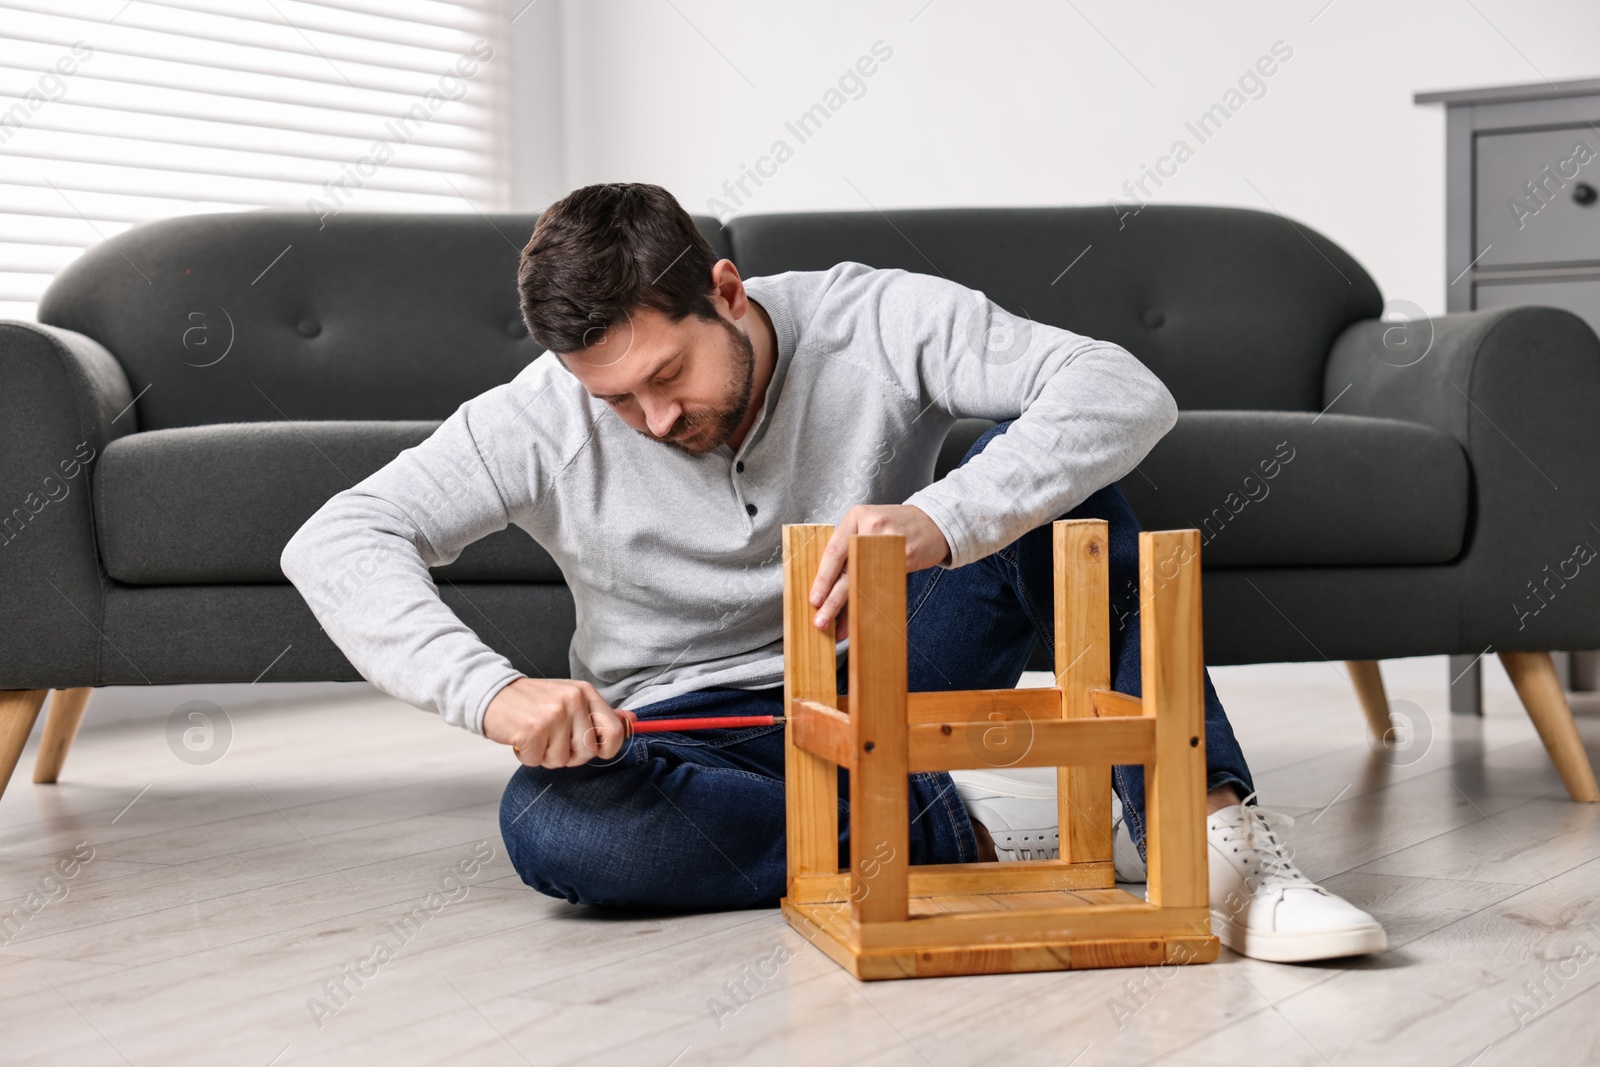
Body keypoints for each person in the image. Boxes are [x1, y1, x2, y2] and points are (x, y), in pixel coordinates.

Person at [281, 182, 1386, 963]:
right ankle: (956, 827)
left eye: (667, 375)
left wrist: (937, 518)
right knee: (554, 828)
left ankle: (1218, 845)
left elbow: (1118, 388)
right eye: (617, 399)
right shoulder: (535, 418)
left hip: (890, 673)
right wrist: (495, 693)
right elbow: (335, 538)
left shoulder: (871, 314)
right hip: (694, 731)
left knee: (1063, 495)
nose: (653, 419)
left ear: (723, 289)